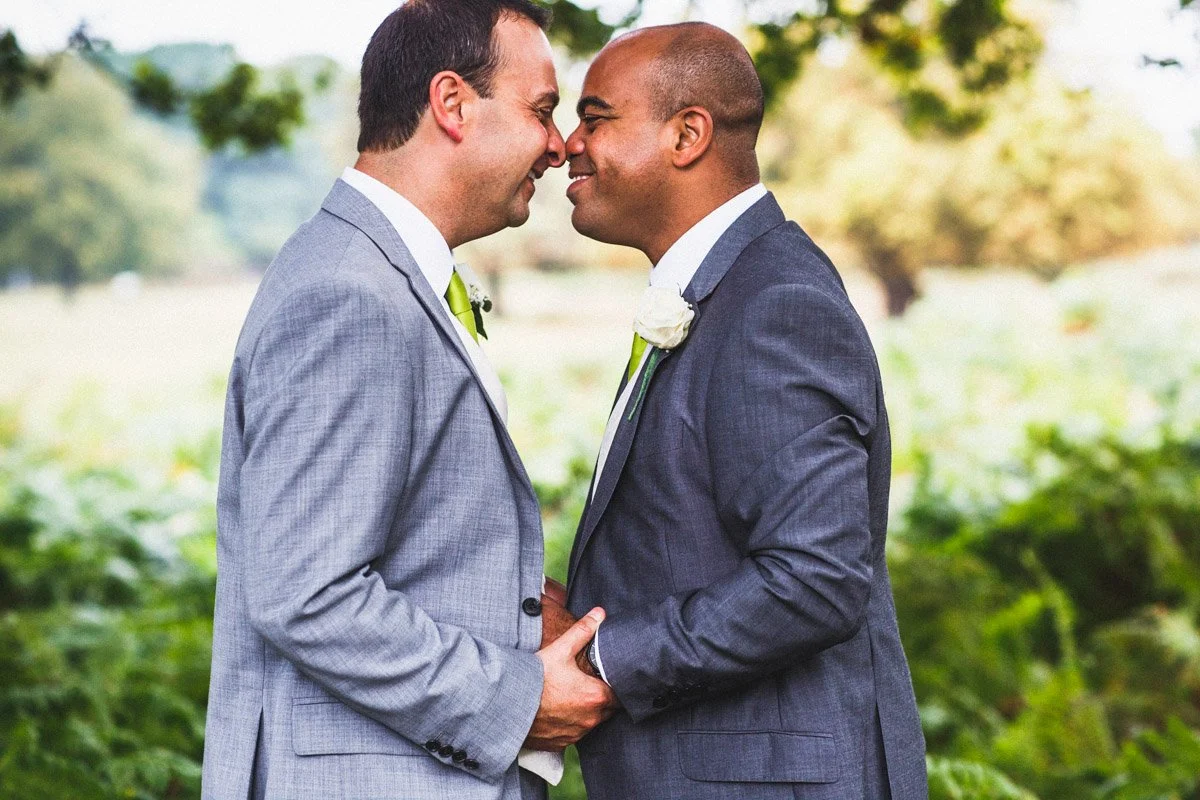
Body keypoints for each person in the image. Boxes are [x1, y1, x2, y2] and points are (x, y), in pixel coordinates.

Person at [201, 3, 614, 798]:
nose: (559, 144)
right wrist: (515, 700)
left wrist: (522, 612)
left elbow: (408, 547)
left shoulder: (378, 271)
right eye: (541, 110)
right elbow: (306, 593)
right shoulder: (349, 295)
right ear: (452, 103)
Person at [562, 22, 929, 799]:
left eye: (595, 120)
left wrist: (605, 661)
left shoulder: (774, 305)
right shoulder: (728, 289)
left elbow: (816, 578)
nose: (569, 145)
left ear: (687, 135)